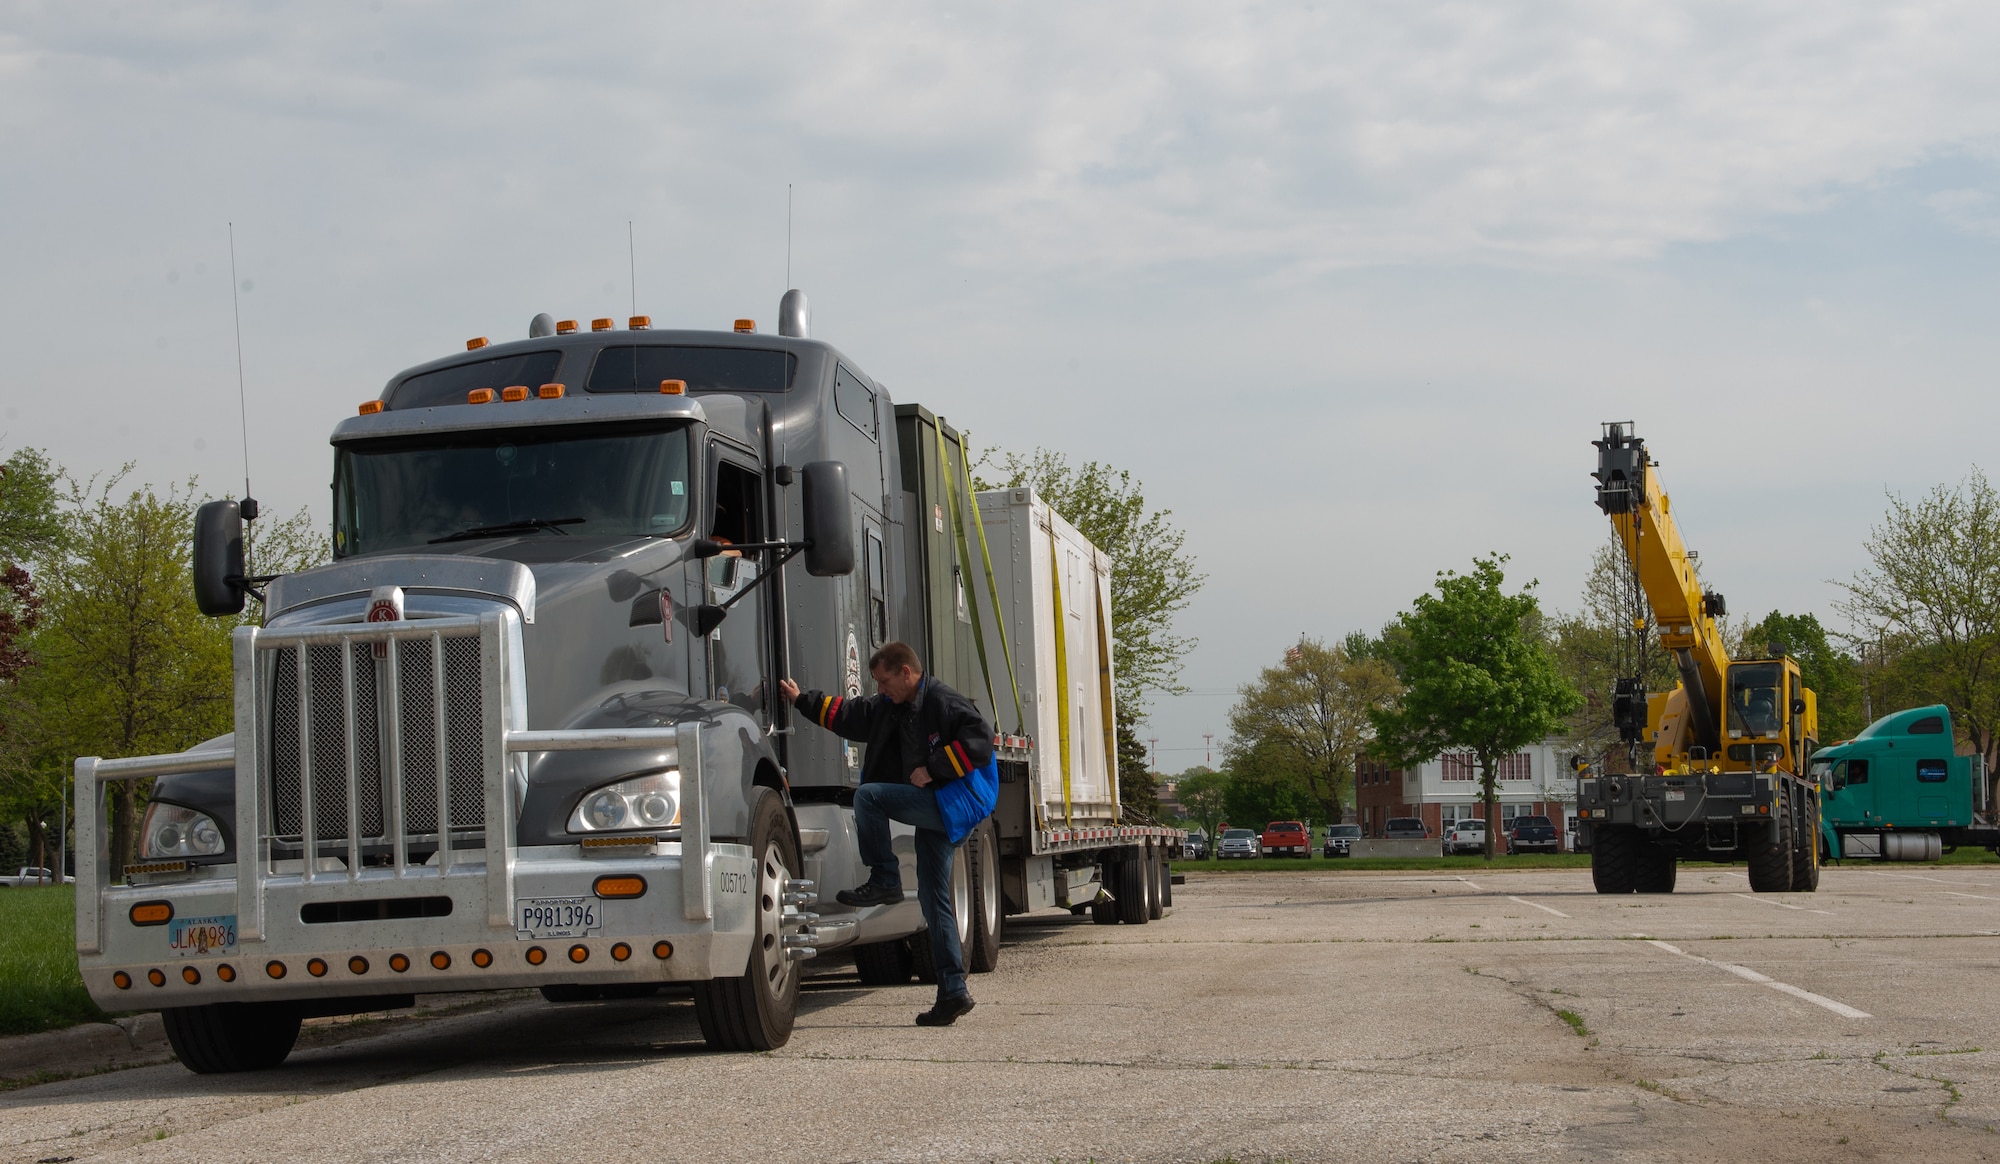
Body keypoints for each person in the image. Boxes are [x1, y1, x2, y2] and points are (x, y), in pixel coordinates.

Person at [778, 642, 993, 1027]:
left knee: (870, 797)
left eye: (883, 681)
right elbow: (847, 713)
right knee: (934, 898)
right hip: (936, 809)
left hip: (951, 803)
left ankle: (885, 879)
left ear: (906, 673)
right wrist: (800, 700)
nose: (880, 689)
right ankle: (953, 992)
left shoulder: (943, 701)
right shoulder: (890, 708)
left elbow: (980, 740)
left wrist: (935, 768)